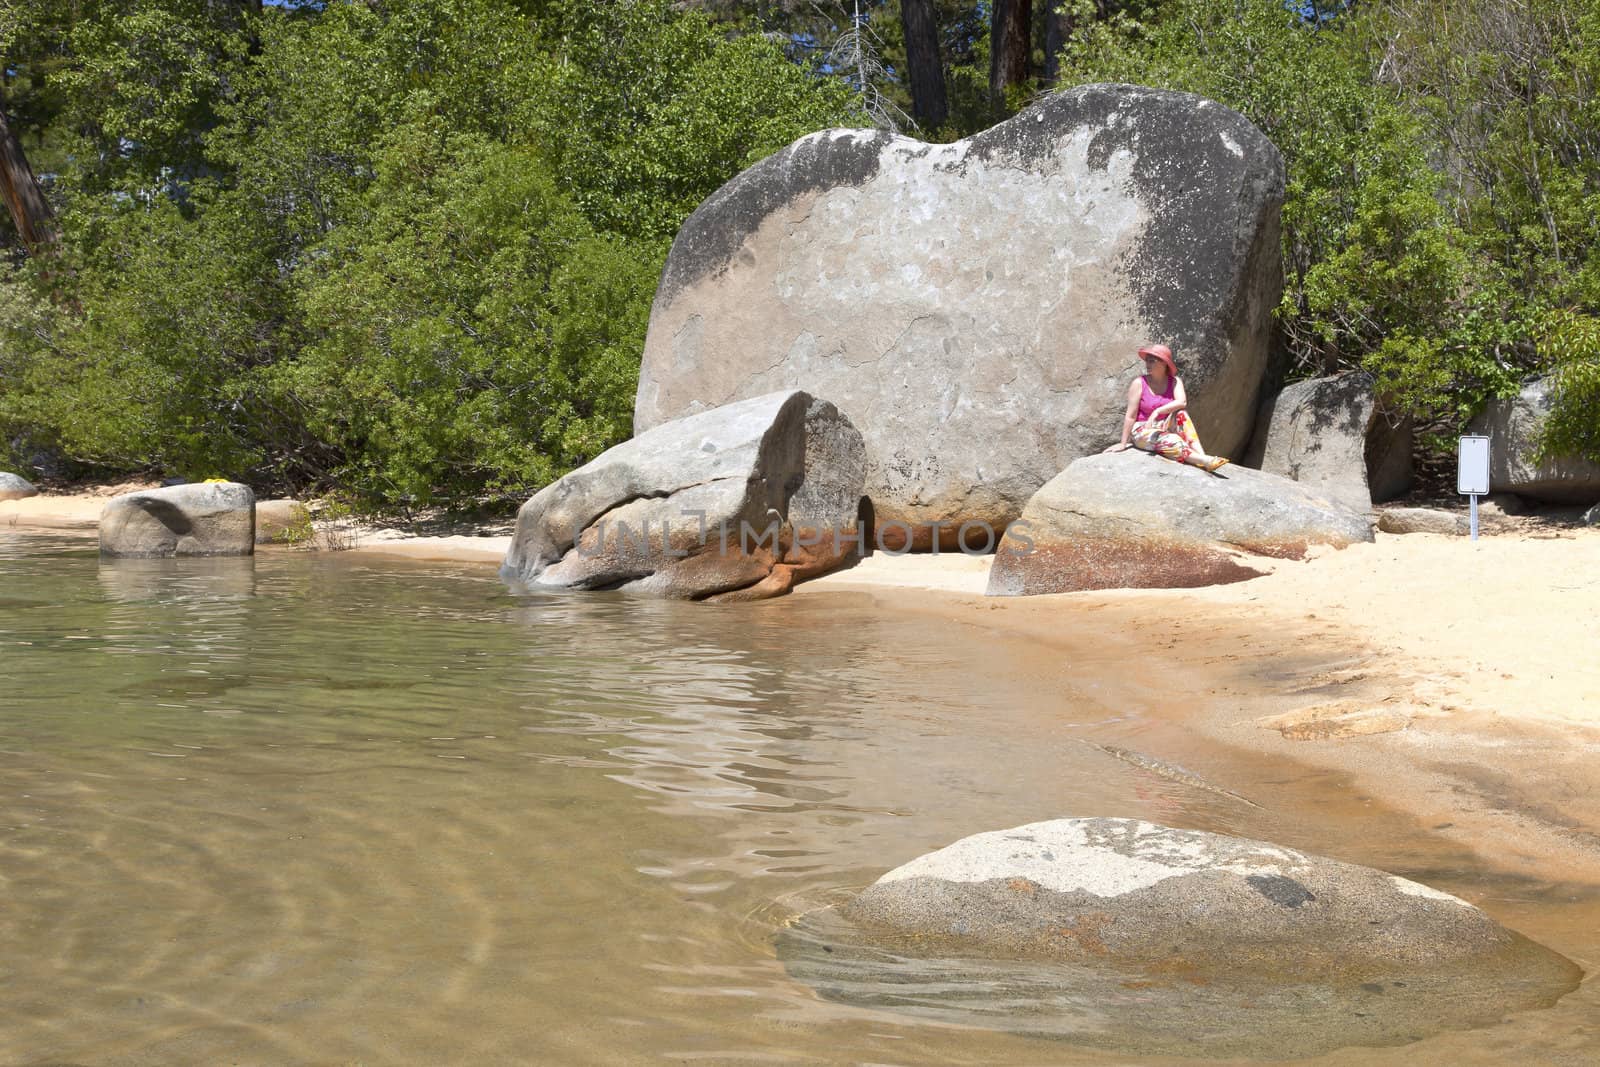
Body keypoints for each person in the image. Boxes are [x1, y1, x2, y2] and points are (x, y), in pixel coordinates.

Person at [1102, 343, 1230, 472]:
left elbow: (1182, 402)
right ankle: (1203, 460)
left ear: (1164, 363)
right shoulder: (1139, 383)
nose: (1147, 364)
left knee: (1181, 413)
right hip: (1143, 430)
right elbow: (1130, 416)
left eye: (1152, 361)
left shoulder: (1175, 381)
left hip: (1166, 425)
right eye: (1147, 361)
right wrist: (1123, 443)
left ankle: (1202, 455)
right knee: (1172, 440)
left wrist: (1158, 411)